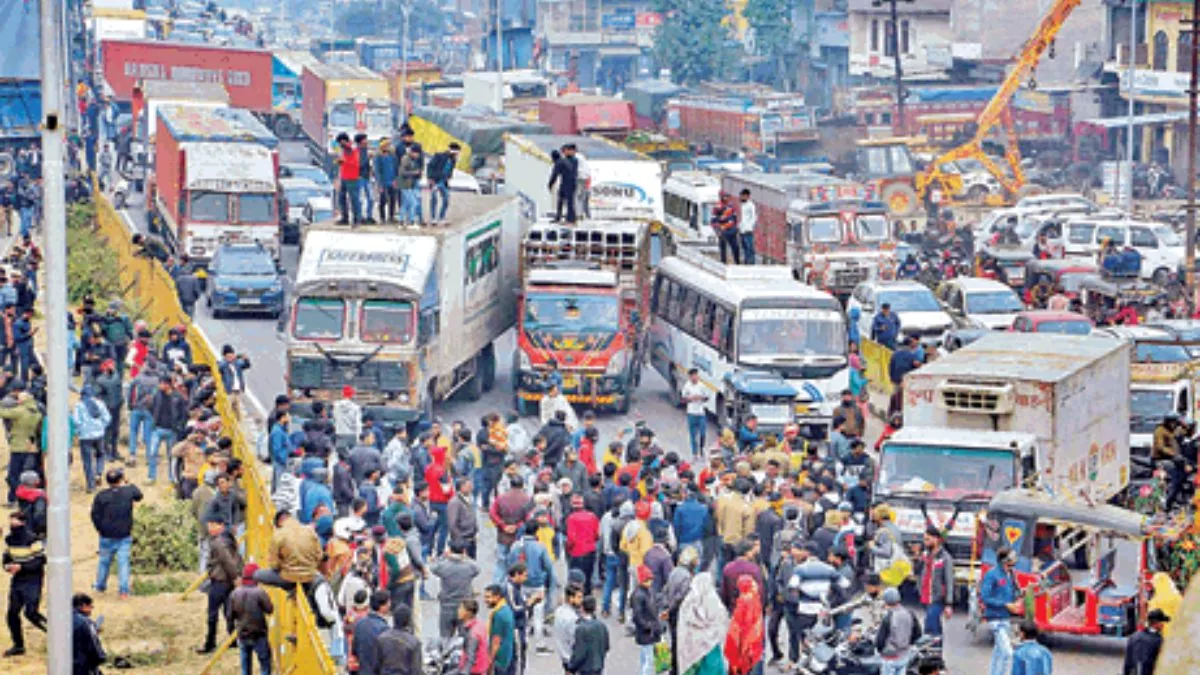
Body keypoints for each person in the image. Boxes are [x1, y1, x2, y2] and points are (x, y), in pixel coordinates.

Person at [91, 468, 143, 599]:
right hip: (124, 534)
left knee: (104, 561)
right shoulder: (128, 492)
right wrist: (129, 482)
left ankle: (100, 585)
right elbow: (139, 495)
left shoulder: (101, 495)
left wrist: (100, 529)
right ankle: (124, 590)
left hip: (106, 534)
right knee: (123, 562)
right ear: (121, 479)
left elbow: (94, 515)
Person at [2, 509, 45, 657]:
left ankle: (55, 634)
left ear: (23, 523)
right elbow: (6, 558)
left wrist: (21, 567)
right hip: (18, 580)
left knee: (31, 612)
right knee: (12, 613)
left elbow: (40, 561)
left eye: (16, 521)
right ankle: (18, 645)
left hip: (33, 579)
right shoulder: (9, 540)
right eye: (11, 521)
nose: (13, 524)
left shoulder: (33, 539)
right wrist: (7, 567)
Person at [199, 514, 243, 654]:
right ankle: (233, 639)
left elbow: (227, 561)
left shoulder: (218, 542)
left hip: (220, 580)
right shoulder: (229, 539)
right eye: (209, 525)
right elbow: (237, 559)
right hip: (228, 581)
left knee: (213, 613)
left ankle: (210, 642)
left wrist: (235, 577)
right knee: (228, 611)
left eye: (213, 525)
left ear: (221, 526)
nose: (210, 528)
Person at [980, 547, 1022, 675]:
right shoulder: (991, 575)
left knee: (998, 653)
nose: (1011, 566)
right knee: (1007, 653)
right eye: (1009, 564)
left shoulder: (1011, 574)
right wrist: (1005, 605)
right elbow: (985, 597)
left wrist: (1019, 597)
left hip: (1005, 618)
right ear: (1003, 562)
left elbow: (1014, 592)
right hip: (995, 618)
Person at [677, 572, 729, 675]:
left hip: (692, 647)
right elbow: (720, 620)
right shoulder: (712, 599)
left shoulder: (688, 601)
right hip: (711, 645)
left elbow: (683, 625)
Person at [229, 563, 274, 675]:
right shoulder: (259, 592)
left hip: (243, 633)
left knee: (245, 666)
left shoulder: (235, 593)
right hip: (259, 634)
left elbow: (229, 615)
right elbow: (269, 609)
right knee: (264, 664)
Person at [432, 541, 481, 639]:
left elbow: (433, 567)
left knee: (445, 637)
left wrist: (443, 556)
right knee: (465, 637)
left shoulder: (443, 566)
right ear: (464, 551)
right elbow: (477, 569)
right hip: (465, 606)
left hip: (447, 605)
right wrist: (465, 558)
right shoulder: (469, 566)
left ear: (449, 551)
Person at [73, 384, 112, 492]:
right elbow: (107, 418)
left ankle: (91, 485)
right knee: (100, 454)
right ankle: (98, 473)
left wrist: (79, 432)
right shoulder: (100, 404)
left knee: (87, 460)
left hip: (85, 436)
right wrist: (101, 427)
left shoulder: (79, 405)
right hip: (99, 434)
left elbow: (76, 421)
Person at [875, 587, 920, 675]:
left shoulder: (888, 617)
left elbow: (880, 640)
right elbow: (917, 633)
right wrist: (908, 644)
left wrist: (880, 651)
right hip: (904, 656)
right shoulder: (910, 613)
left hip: (890, 657)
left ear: (886, 601)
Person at [631, 564, 662, 675]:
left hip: (648, 632)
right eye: (647, 580)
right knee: (649, 660)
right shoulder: (640, 595)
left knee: (646, 657)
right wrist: (648, 626)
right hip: (647, 632)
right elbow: (637, 617)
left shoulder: (646, 592)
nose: (650, 582)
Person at [568, 595, 610, 675]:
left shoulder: (581, 628)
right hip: (598, 666)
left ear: (582, 608)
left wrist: (571, 667)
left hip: (586, 669)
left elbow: (579, 652)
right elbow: (606, 646)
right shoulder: (601, 626)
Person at [352, 590, 392, 674]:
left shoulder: (359, 624)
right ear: (382, 606)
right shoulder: (384, 629)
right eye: (388, 603)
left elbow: (354, 650)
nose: (390, 605)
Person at [375, 603, 422, 674]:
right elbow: (416, 670)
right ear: (409, 621)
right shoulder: (414, 643)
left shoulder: (382, 638)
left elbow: (376, 666)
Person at [1123, 608, 1168, 675]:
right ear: (1157, 624)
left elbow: (1127, 662)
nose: (1163, 625)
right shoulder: (1159, 641)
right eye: (1162, 622)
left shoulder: (1134, 636)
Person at [485, 583, 517, 675]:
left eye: (488, 597)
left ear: (497, 597)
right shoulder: (505, 609)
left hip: (501, 658)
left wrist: (490, 660)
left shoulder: (499, 614)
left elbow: (496, 640)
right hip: (508, 655)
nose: (486, 600)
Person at [71, 593, 107, 674]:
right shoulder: (86, 622)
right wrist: (101, 658)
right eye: (91, 607)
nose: (91, 610)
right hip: (82, 667)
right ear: (83, 605)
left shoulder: (63, 620)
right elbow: (94, 648)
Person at [427, 143, 460, 223]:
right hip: (435, 180)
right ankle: (433, 217)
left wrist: (449, 177)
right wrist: (430, 178)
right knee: (434, 198)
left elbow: (450, 170)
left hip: (444, 181)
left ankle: (442, 217)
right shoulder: (439, 156)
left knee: (446, 198)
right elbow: (430, 166)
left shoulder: (453, 160)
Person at [552, 584, 582, 671]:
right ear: (570, 598)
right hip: (572, 656)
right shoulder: (572, 618)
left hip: (563, 654)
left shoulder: (559, 611)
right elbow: (575, 640)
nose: (581, 600)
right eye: (579, 597)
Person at [681, 368, 710, 458]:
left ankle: (701, 449)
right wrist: (690, 398)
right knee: (693, 434)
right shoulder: (687, 386)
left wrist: (700, 397)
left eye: (696, 375)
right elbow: (683, 399)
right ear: (690, 377)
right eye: (692, 376)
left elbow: (707, 397)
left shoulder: (702, 386)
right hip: (691, 412)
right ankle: (694, 452)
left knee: (702, 433)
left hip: (701, 413)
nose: (694, 377)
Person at [334, 133, 362, 224]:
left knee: (354, 199)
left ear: (343, 140)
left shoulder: (353, 149)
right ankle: (344, 217)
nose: (340, 145)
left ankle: (357, 218)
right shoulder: (343, 150)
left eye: (340, 142)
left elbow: (355, 162)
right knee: (341, 198)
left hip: (352, 177)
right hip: (344, 176)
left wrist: (344, 161)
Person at [457, 598, 490, 675]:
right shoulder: (479, 624)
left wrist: (464, 672)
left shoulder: (473, 634)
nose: (458, 611)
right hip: (481, 668)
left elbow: (470, 658)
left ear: (468, 613)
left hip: (473, 670)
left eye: (461, 609)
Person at [548, 144, 579, 224]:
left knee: (569, 202)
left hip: (568, 183)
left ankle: (571, 220)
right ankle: (559, 217)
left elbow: (554, 175)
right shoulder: (564, 160)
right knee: (561, 200)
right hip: (568, 182)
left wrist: (550, 185)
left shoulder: (559, 163)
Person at [399, 142, 425, 226]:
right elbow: (402, 172)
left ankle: (402, 220)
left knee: (406, 203)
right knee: (413, 203)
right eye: (417, 154)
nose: (418, 156)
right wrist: (414, 173)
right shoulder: (406, 159)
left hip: (410, 184)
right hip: (405, 184)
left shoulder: (412, 159)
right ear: (413, 152)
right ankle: (411, 221)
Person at [373, 138, 399, 223]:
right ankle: (382, 218)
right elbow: (377, 171)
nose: (387, 146)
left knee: (393, 199)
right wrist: (379, 183)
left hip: (392, 180)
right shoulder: (378, 156)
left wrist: (396, 179)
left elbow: (396, 168)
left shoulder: (393, 155)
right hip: (383, 181)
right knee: (383, 200)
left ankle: (391, 216)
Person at [738, 189, 757, 264]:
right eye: (741, 196)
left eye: (743, 196)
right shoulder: (742, 205)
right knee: (744, 247)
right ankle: (746, 263)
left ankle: (751, 263)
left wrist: (750, 227)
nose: (741, 197)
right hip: (742, 230)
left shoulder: (751, 205)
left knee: (749, 248)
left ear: (747, 196)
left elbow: (754, 217)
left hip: (748, 230)